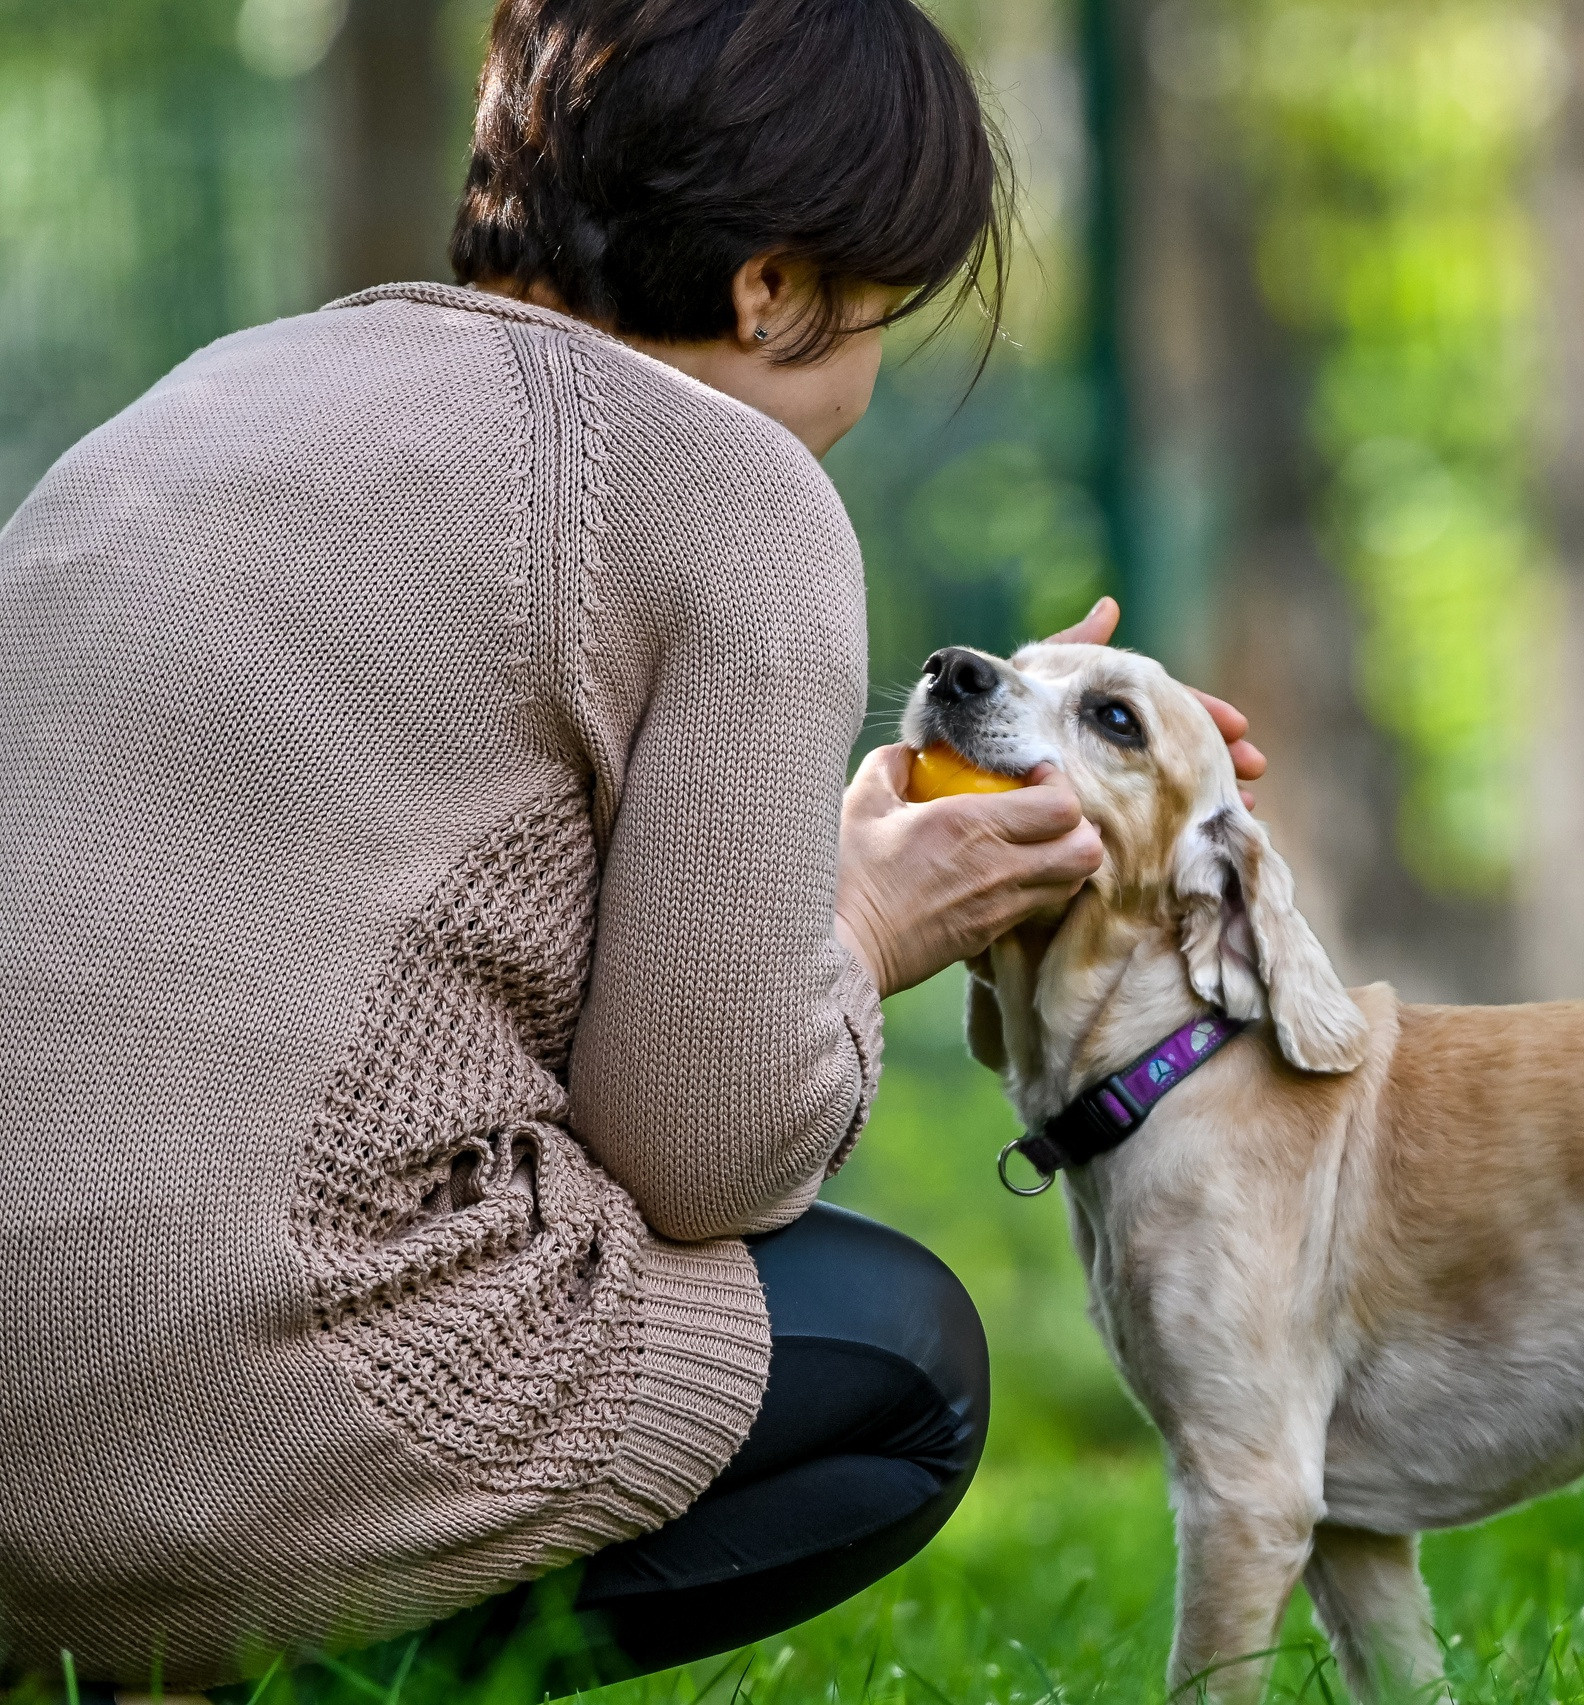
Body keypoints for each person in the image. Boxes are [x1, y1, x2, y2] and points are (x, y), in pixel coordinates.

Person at [0, 0, 1261, 1695]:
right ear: (771, 287)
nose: (865, 384)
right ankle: (220, 1653)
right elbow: (708, 1149)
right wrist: (872, 925)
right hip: (165, 1448)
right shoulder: (730, 488)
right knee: (901, 1362)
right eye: (878, 315)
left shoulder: (204, 401)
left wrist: (809, 884)